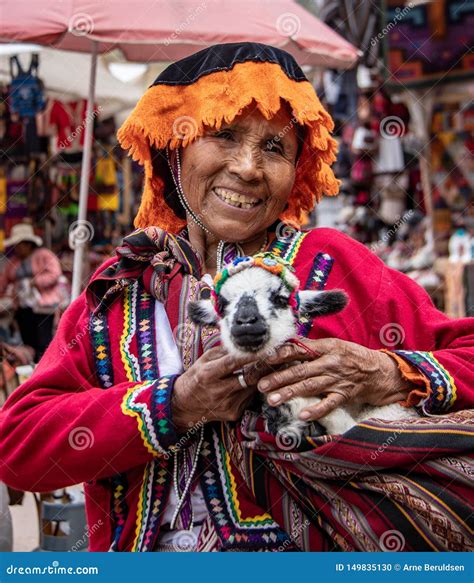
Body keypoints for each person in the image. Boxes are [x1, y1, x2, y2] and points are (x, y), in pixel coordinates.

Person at [0, 43, 473, 552]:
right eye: (223, 134)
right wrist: (174, 405)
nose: (248, 168)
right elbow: (20, 446)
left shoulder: (336, 265)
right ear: (174, 149)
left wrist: (384, 373)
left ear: (297, 168)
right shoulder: (119, 291)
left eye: (274, 148)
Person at [1, 222, 62, 361]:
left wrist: (35, 281)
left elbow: (55, 274)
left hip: (43, 308)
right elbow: (4, 281)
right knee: (29, 343)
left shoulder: (44, 255)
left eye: (19, 245)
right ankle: (32, 369)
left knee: (43, 342)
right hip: (23, 308)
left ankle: (44, 368)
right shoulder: (14, 262)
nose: (16, 248)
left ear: (28, 244)